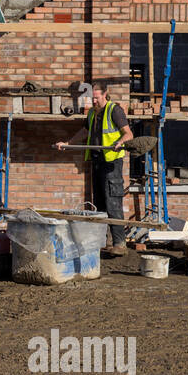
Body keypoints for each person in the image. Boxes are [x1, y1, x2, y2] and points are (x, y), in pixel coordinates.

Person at [55, 82, 134, 255]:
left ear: (105, 94)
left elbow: (128, 134)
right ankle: (105, 241)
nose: (94, 101)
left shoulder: (115, 110)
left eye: (97, 98)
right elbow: (85, 131)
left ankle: (120, 243)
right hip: (97, 160)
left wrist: (119, 143)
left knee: (113, 202)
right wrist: (68, 143)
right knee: (99, 203)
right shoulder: (92, 113)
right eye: (92, 98)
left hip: (111, 163)